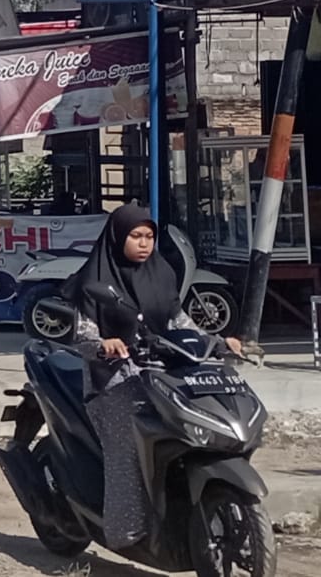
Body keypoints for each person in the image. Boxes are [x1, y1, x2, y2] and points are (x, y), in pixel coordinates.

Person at [62, 205, 243, 549]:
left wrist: (217, 342)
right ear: (118, 237)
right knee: (128, 450)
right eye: (135, 236)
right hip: (114, 379)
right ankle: (125, 534)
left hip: (163, 371)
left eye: (149, 237)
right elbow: (82, 336)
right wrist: (104, 345)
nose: (144, 244)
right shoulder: (94, 281)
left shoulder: (161, 275)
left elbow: (178, 322)